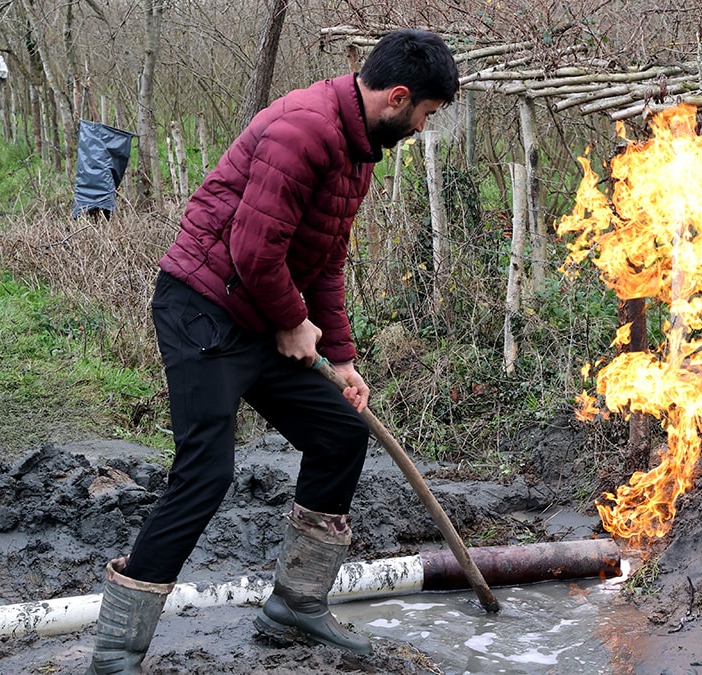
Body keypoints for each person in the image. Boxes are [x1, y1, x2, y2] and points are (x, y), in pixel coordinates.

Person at [84, 29, 459, 674]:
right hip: (203, 308)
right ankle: (117, 649)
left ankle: (295, 603)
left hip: (260, 308)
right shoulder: (303, 130)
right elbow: (254, 253)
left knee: (340, 431)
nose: (424, 128)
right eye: (425, 115)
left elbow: (323, 260)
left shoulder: (357, 150)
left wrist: (338, 357)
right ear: (398, 97)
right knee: (206, 471)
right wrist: (292, 323)